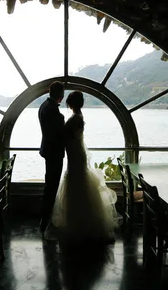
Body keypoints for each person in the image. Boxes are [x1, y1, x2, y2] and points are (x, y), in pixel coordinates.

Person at [50, 90, 119, 243]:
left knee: (76, 184)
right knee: (78, 184)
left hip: (75, 155)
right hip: (76, 153)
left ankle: (78, 223)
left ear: (71, 103)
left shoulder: (75, 118)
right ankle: (80, 221)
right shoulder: (78, 116)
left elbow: (69, 136)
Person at [38, 81, 66, 233]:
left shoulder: (43, 106)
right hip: (54, 152)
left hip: (48, 150)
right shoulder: (54, 112)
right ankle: (46, 218)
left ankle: (45, 217)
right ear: (60, 95)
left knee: (50, 184)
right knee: (52, 186)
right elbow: (58, 135)